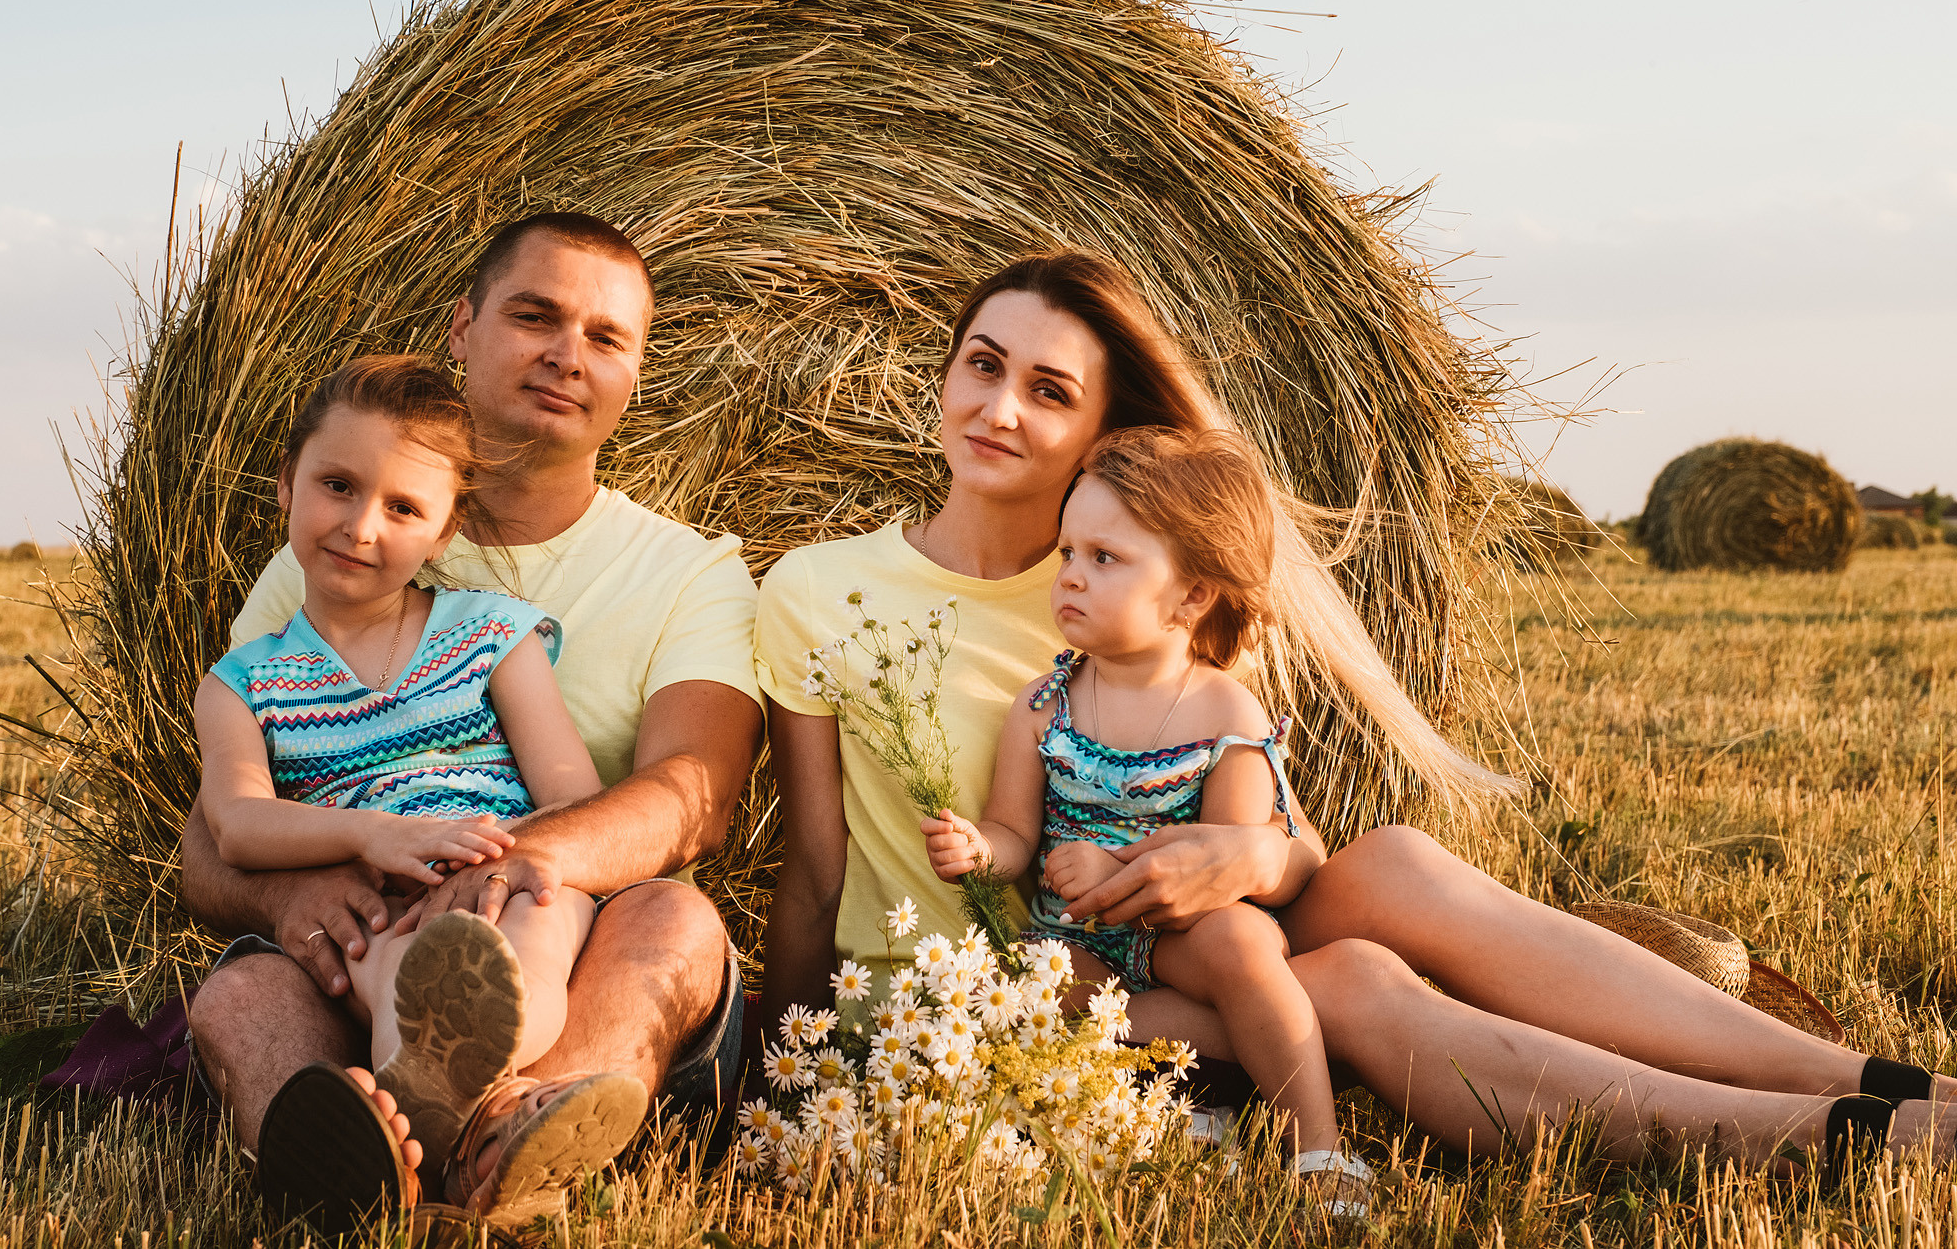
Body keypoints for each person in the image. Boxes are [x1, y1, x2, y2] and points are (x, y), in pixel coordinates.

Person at [757, 246, 1955, 1188]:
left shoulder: (1143, 583)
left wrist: (1239, 854)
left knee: (1389, 867)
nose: (999, 408)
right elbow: (812, 871)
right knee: (1353, 982)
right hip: (1021, 986)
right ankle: (1813, 1137)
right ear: (944, 372)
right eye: (981, 365)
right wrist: (780, 1073)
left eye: (1048, 390)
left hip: (1195, 941)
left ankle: (1863, 1077)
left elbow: (1291, 850)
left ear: (1104, 435)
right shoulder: (818, 588)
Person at [184, 214, 765, 1230]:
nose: (566, 355)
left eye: (605, 337)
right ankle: (386, 1169)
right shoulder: (326, 564)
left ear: (635, 372)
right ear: (462, 328)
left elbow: (693, 799)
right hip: (366, 939)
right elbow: (211, 837)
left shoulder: (688, 572)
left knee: (676, 923)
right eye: (535, 316)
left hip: (562, 940)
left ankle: (490, 1146)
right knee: (238, 997)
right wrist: (300, 896)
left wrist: (510, 860)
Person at [922, 424, 1372, 1213]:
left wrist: (1115, 869)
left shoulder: (1225, 713)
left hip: (1179, 942)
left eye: (1105, 558)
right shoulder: (1044, 705)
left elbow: (1225, 872)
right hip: (1076, 943)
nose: (1070, 574)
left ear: (1193, 595)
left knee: (1241, 943)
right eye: (1068, 551)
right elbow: (1015, 833)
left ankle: (1317, 1146)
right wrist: (978, 848)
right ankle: (1171, 1112)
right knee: (1022, 979)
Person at [195, 354, 616, 1177]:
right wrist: (372, 836)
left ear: (444, 530)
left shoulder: (495, 634)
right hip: (380, 906)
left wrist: (505, 862)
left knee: (534, 935)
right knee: (394, 962)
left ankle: (426, 1129)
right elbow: (237, 823)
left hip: (506, 873)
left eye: (403, 507)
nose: (361, 527)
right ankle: (477, 1129)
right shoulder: (242, 683)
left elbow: (574, 796)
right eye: (338, 486)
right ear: (286, 482)